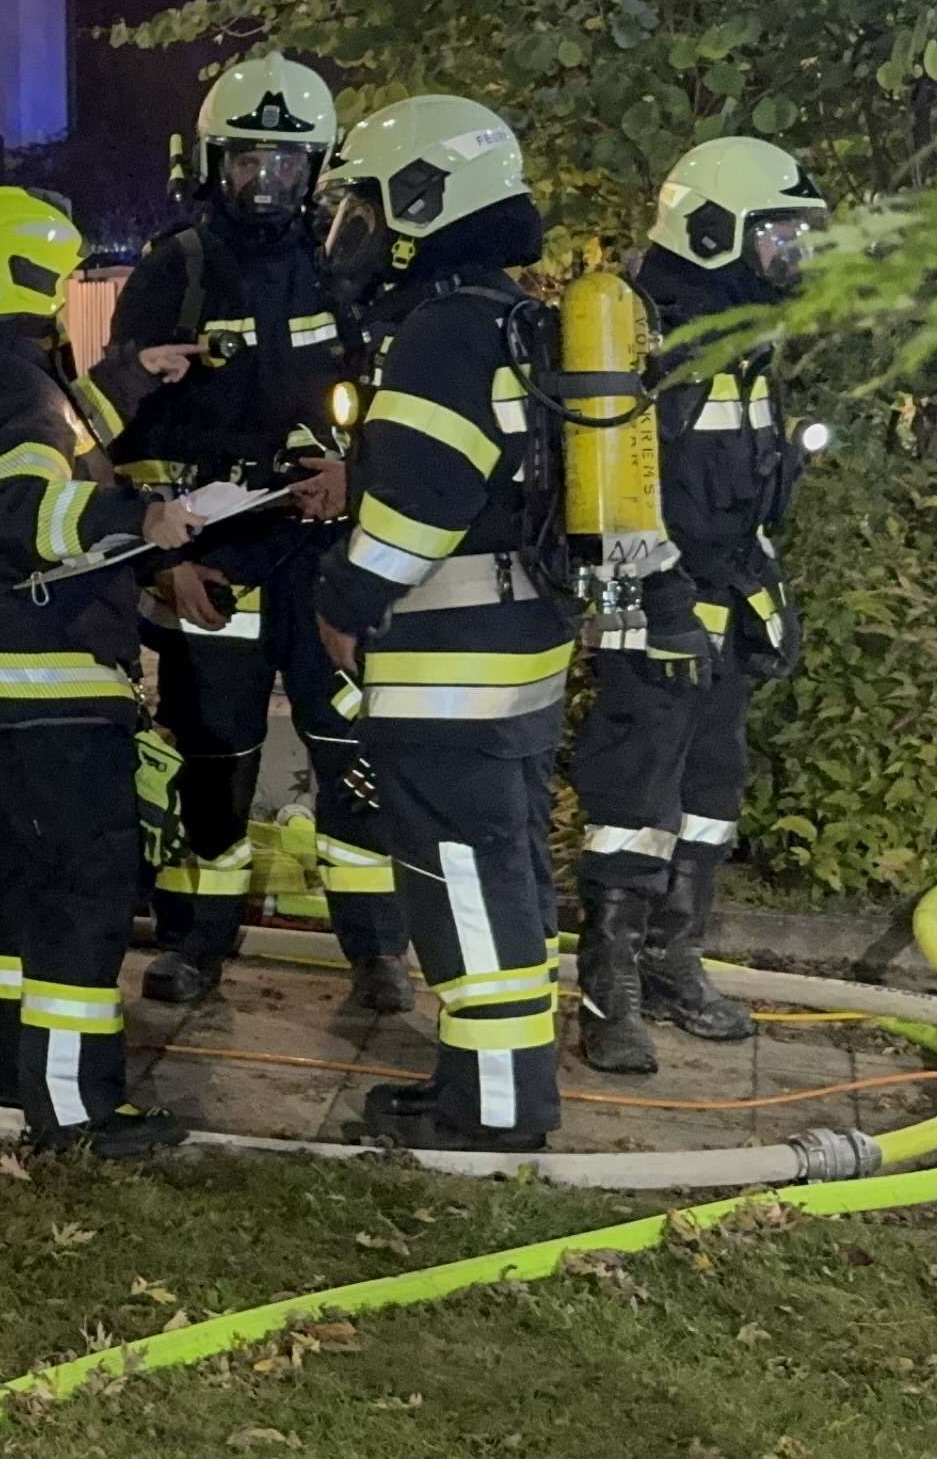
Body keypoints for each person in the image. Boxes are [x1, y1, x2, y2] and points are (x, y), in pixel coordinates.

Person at [85, 55, 412, 1015]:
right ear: (211, 163)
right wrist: (166, 562)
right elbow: (125, 431)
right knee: (213, 758)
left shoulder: (345, 267)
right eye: (248, 164)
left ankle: (376, 950)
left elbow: (396, 403)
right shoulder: (175, 268)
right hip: (213, 566)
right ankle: (194, 943)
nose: (266, 184)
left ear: (318, 171)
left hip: (324, 562)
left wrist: (356, 477)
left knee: (349, 750)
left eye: (286, 165)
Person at [311, 95, 579, 1155]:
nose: (350, 234)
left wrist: (342, 601)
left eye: (363, 210)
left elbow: (416, 513)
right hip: (519, 649)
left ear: (424, 203)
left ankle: (495, 1111)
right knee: (503, 868)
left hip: (448, 667)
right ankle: (487, 1077)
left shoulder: (439, 334)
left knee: (464, 877)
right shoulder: (518, 318)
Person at [0, 186, 195, 1153]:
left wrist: (129, 377)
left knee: (6, 891)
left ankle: (6, 1070)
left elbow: (48, 435)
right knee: (81, 896)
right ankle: (74, 1113)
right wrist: (139, 520)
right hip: (44, 689)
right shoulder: (12, 387)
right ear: (20, 276)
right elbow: (26, 504)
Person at [568, 137, 829, 1073]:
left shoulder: (745, 331)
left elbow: (745, 485)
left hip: (725, 597)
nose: (792, 255)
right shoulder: (656, 332)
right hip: (655, 606)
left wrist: (766, 586)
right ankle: (611, 992)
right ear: (716, 231)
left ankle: (677, 956)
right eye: (780, 236)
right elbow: (622, 492)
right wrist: (665, 605)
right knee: (634, 798)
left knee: (710, 795)